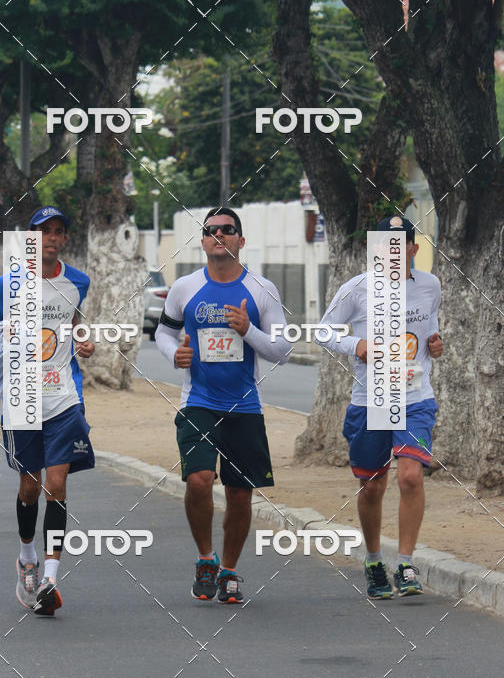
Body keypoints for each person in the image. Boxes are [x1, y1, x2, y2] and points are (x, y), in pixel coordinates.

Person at [155, 207, 290, 603]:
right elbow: (163, 333)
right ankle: (205, 558)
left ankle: (229, 570)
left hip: (244, 407)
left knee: (239, 495)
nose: (219, 235)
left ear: (240, 241)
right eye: (211, 230)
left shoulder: (262, 290)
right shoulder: (184, 287)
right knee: (198, 480)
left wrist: (248, 331)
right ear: (203, 241)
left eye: (227, 230)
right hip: (197, 401)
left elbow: (282, 351)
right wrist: (173, 355)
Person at [0, 206, 95, 615]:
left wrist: (84, 341)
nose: (53, 238)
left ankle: (50, 579)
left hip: (64, 396)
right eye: (44, 232)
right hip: (22, 396)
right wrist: (0, 338)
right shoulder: (8, 284)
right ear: (30, 238)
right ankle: (27, 557)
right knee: (30, 486)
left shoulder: (78, 281)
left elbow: (75, 323)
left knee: (56, 484)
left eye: (59, 232)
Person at [316, 215, 443, 598]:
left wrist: (436, 344)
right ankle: (373, 559)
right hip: (370, 399)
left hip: (415, 397)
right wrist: (355, 346)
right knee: (372, 486)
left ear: (412, 250)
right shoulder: (357, 289)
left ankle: (405, 564)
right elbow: (323, 331)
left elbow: (429, 327)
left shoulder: (430, 285)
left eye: (398, 244)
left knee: (410, 476)